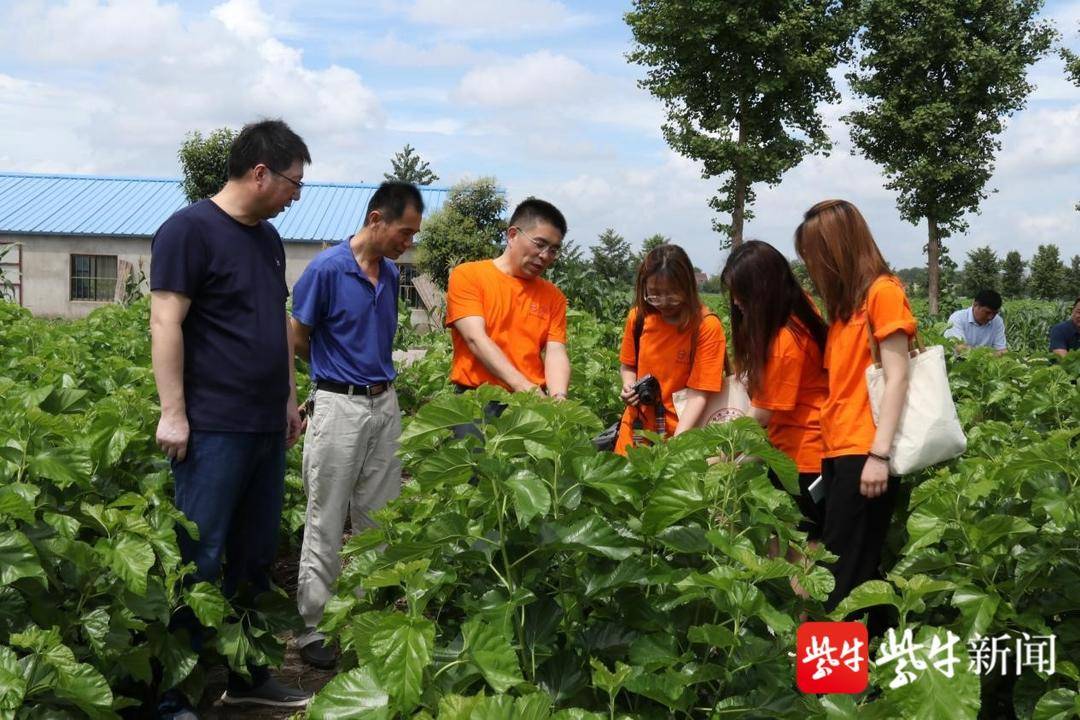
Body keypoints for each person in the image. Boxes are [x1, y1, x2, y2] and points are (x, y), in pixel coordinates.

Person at [150, 119, 311, 717]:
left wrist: (289, 401)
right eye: (294, 182)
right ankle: (175, 696)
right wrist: (174, 414)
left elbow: (276, 325)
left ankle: (248, 675)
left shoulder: (267, 239)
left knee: (253, 556)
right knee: (200, 558)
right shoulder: (188, 231)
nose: (297, 195)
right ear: (261, 172)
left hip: (265, 426)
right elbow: (165, 322)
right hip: (212, 426)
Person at [289, 182, 423, 669]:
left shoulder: (389, 275)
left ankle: (368, 616)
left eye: (412, 235)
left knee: (378, 517)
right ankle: (315, 627)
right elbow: (297, 337)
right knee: (326, 516)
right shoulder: (326, 270)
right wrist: (332, 370)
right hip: (337, 404)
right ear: (376, 219)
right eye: (404, 232)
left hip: (383, 404)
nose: (407, 242)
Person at [794, 199, 915, 632]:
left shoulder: (883, 293)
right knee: (857, 569)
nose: (811, 266)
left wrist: (879, 455)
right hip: (839, 450)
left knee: (841, 580)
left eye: (814, 255)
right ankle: (880, 668)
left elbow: (898, 377)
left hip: (866, 454)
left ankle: (830, 688)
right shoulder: (847, 307)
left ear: (836, 250)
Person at [720, 240, 828, 572]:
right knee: (791, 544)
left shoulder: (786, 342)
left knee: (797, 554)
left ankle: (799, 621)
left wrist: (725, 462)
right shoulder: (799, 309)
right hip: (807, 451)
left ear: (764, 290)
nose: (737, 304)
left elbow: (760, 418)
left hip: (803, 458)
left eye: (743, 294)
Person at [445, 199, 570, 409]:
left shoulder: (553, 296)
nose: (545, 256)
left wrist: (558, 397)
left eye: (553, 250)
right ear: (512, 235)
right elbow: (475, 338)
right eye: (540, 244)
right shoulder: (468, 276)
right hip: (477, 401)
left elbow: (555, 351)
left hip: (530, 403)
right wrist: (524, 387)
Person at [614, 244, 727, 455]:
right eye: (654, 294)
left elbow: (699, 394)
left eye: (673, 294)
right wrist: (629, 386)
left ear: (688, 288)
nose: (664, 302)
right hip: (635, 431)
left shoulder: (705, 326)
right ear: (643, 288)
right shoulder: (638, 319)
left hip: (683, 435)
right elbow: (628, 365)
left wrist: (675, 446)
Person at [944, 289, 1007, 355]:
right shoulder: (958, 318)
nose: (990, 317)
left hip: (984, 363)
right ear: (975, 304)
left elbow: (1002, 350)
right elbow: (959, 348)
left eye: (995, 313)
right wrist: (989, 354)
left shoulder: (997, 321)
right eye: (987, 312)